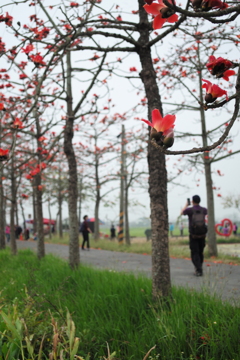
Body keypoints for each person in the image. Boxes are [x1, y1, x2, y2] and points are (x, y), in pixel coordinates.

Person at [181, 195, 207, 277]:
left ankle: (198, 269)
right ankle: (199, 267)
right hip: (202, 234)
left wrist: (186, 204)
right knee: (200, 252)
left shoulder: (189, 210)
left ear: (192, 201)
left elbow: (182, 212)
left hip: (193, 235)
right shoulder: (204, 210)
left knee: (195, 252)